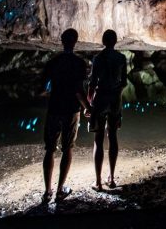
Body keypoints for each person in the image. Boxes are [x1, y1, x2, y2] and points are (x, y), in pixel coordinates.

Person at [39, 28, 90, 204]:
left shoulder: (53, 62)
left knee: (50, 149)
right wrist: (88, 107)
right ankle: (60, 190)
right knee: (67, 147)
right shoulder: (79, 63)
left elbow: (42, 89)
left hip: (54, 108)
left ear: (62, 40)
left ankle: (47, 192)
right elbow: (78, 89)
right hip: (71, 109)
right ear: (75, 41)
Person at [85, 29, 128, 190]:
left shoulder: (98, 58)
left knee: (98, 138)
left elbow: (92, 82)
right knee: (113, 136)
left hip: (101, 98)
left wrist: (89, 102)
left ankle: (97, 181)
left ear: (103, 41)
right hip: (115, 99)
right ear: (115, 41)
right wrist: (116, 92)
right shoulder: (121, 58)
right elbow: (124, 82)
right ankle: (111, 179)